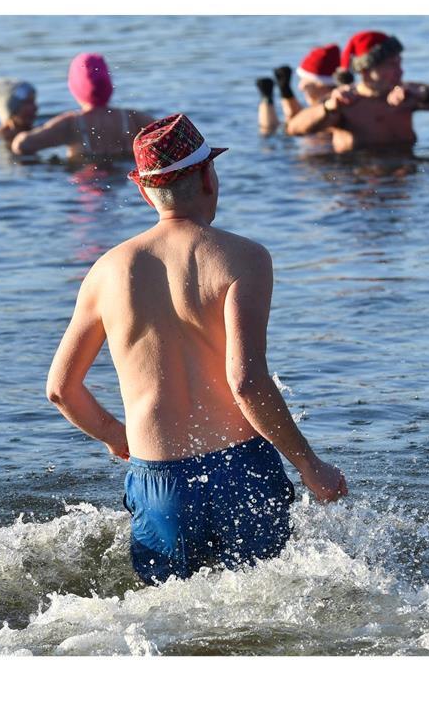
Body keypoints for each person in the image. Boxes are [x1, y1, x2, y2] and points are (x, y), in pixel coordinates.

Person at [45, 113, 348, 585]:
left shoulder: (106, 271)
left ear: (144, 191)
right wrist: (310, 465)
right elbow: (246, 382)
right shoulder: (243, 257)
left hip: (160, 481)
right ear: (208, 176)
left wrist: (117, 438)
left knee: (170, 613)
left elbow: (62, 389)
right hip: (241, 469)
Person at [286, 30, 429, 151]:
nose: (400, 71)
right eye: (391, 65)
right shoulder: (345, 102)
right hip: (358, 183)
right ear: (365, 70)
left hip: (404, 177)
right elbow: (294, 128)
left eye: (400, 63)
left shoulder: (406, 95)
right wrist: (328, 107)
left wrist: (424, 94)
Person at [11, 53, 154, 160]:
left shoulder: (70, 124)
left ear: (74, 87)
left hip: (86, 177)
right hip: (123, 178)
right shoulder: (133, 118)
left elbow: (21, 145)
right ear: (109, 83)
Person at [257, 44, 342, 134]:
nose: (300, 87)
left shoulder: (332, 109)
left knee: (270, 131)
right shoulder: (336, 103)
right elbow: (301, 117)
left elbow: (291, 128)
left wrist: (269, 100)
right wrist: (286, 92)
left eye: (304, 80)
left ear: (320, 83)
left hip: (314, 141)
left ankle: (266, 100)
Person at [0, 78, 38, 144]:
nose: (35, 107)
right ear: (11, 109)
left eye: (33, 101)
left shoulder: (33, 130)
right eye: (27, 103)